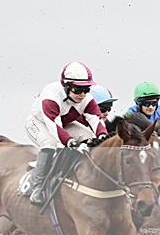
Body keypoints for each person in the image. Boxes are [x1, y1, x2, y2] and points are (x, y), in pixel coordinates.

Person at [24, 61, 108, 206]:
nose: (82, 94)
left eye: (86, 89)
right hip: (40, 123)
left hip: (65, 124)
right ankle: (37, 188)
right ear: (67, 86)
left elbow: (96, 121)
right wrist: (71, 143)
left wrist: (103, 137)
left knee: (89, 137)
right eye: (77, 90)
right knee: (50, 144)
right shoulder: (51, 95)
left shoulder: (87, 99)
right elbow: (54, 127)